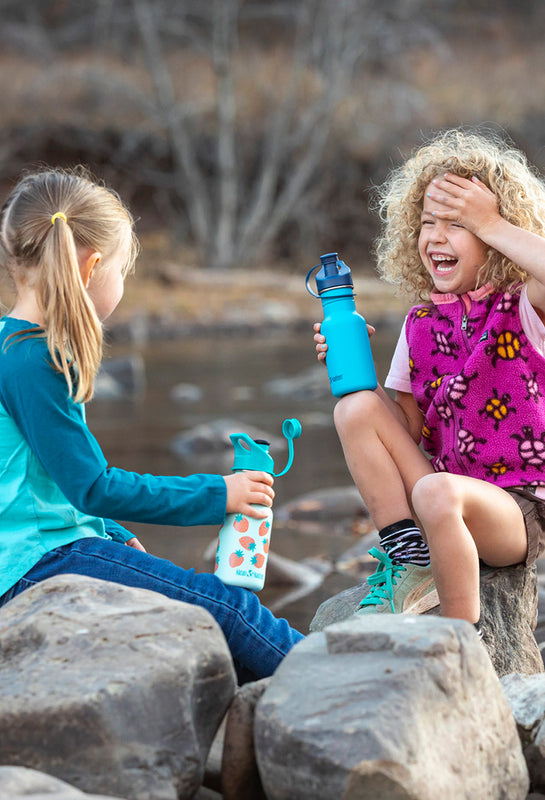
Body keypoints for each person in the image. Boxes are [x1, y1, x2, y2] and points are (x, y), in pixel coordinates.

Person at [0, 167, 304, 681]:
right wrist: (220, 494)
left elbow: (38, 481)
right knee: (227, 608)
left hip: (33, 553)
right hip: (39, 565)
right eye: (121, 271)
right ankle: (345, 679)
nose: (121, 284)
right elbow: (93, 487)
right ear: (92, 266)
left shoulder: (10, 346)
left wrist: (113, 533)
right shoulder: (35, 362)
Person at [314, 128, 545, 634]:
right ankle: (410, 561)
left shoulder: (526, 306)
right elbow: (406, 428)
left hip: (517, 511)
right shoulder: (421, 322)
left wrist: (489, 220)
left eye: (457, 224)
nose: (436, 237)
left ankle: (456, 642)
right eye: (426, 223)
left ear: (497, 230)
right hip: (433, 495)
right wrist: (353, 371)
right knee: (354, 408)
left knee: (441, 493)